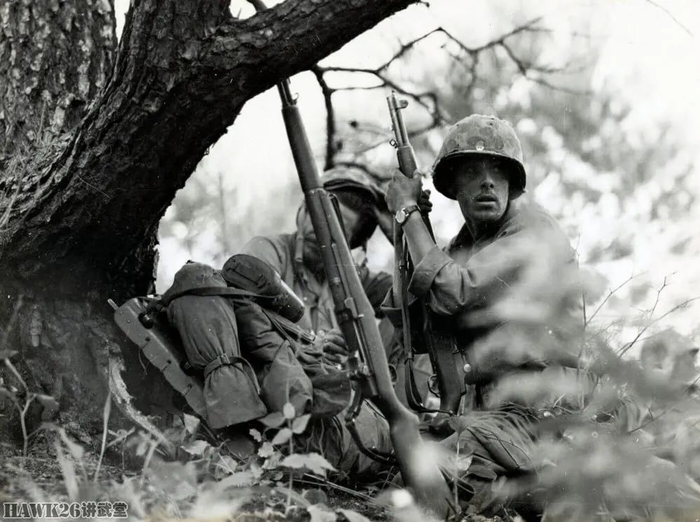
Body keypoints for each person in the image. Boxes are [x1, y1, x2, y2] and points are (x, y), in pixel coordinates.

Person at [384, 114, 588, 514]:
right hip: (492, 416)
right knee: (402, 468)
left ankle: (540, 492)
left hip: (541, 414)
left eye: (498, 172)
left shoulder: (533, 230)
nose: (488, 182)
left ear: (513, 184)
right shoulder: (462, 248)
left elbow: (455, 293)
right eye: (472, 173)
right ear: (453, 188)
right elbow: (416, 330)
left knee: (440, 478)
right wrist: (408, 229)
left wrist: (408, 215)